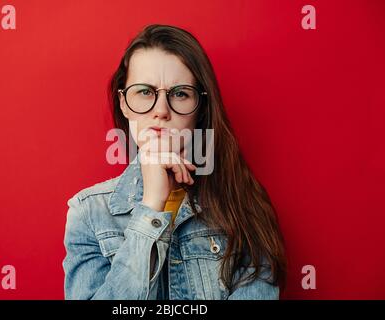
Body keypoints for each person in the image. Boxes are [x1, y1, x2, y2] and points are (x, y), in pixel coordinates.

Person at [62, 24, 287, 300]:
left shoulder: (243, 207)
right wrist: (151, 206)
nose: (161, 111)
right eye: (145, 92)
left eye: (180, 93)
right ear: (123, 103)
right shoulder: (88, 213)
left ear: (201, 108)